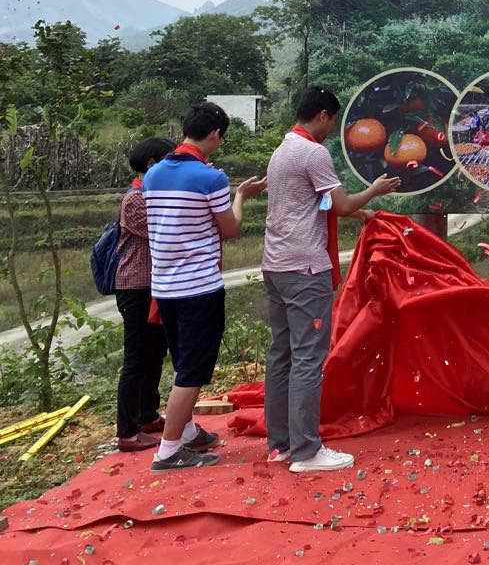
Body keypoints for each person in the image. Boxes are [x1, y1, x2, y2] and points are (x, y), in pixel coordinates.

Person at [263, 86, 400, 472]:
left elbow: (314, 200)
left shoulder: (282, 150)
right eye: (333, 120)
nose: (332, 128)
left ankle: (281, 444)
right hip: (306, 268)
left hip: (276, 264)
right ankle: (307, 451)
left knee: (281, 355)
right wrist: (373, 192)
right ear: (323, 115)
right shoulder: (313, 152)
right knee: (308, 357)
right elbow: (337, 203)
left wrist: (359, 215)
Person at [144, 101, 266, 470]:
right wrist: (240, 196)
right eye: (221, 137)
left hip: (165, 287)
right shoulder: (210, 178)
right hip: (198, 287)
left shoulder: (153, 175)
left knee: (183, 361)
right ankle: (168, 451)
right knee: (193, 371)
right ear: (213, 134)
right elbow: (231, 229)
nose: (220, 143)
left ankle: (185, 432)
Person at [113, 136, 175, 452]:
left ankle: (148, 414)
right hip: (135, 287)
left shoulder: (151, 195)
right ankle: (127, 430)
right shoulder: (135, 200)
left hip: (154, 286)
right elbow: (163, 232)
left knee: (155, 351)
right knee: (136, 356)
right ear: (152, 165)